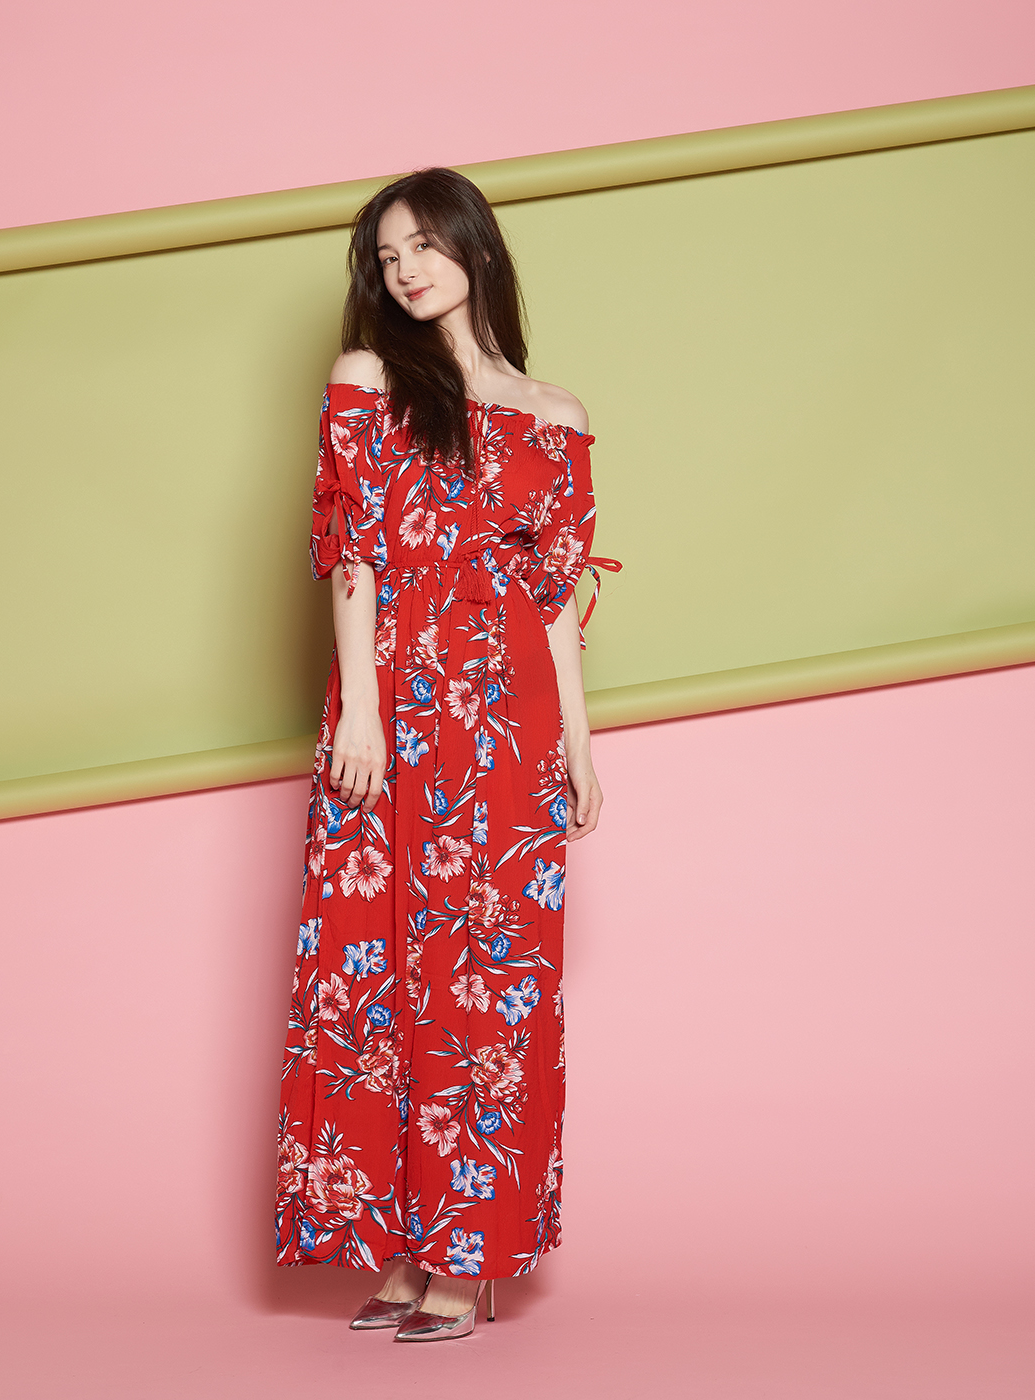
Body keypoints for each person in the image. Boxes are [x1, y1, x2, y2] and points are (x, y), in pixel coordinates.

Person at [274, 167, 617, 1342]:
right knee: (372, 972)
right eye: (386, 256)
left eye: (423, 244)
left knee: (489, 977)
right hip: (391, 711)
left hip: (509, 722)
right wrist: (360, 711)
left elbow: (553, 591)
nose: (405, 269)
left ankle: (466, 1259)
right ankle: (400, 1244)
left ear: (474, 246)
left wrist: (577, 743)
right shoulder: (367, 377)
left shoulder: (554, 410)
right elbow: (352, 552)